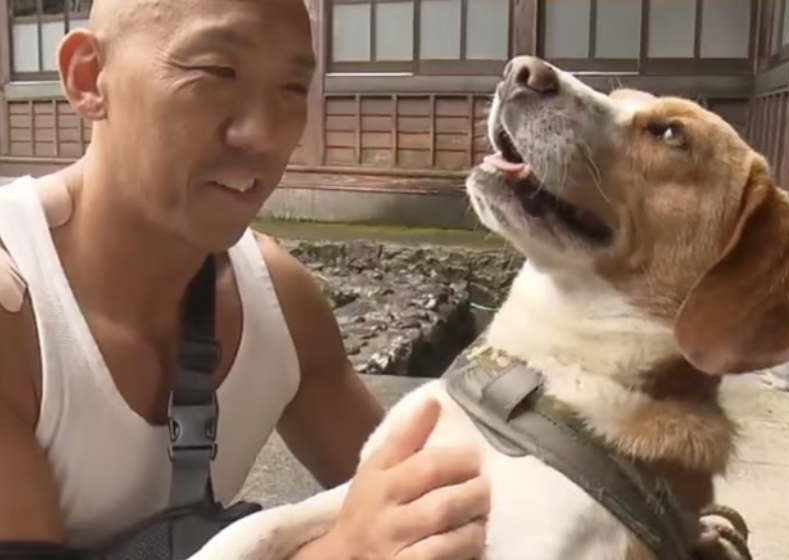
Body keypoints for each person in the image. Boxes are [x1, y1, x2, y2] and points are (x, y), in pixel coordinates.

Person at [0, 0, 489, 558]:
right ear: (88, 77)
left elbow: (423, 501)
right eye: (218, 73)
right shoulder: (15, 304)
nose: (261, 134)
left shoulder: (278, 303)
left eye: (290, 89)